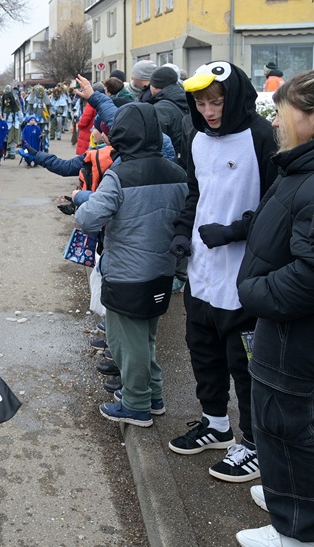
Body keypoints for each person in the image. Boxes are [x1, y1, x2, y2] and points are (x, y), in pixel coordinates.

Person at [168, 61, 280, 483]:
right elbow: (195, 192)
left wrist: (235, 230)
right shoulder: (196, 137)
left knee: (245, 362)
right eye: (201, 102)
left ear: (234, 98)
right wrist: (183, 233)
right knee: (202, 349)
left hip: (244, 274)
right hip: (201, 269)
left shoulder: (261, 137)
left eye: (216, 101)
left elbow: (278, 205)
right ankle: (215, 423)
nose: (209, 111)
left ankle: (253, 443)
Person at [234, 69, 314, 547]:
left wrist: (255, 290)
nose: (278, 120)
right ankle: (290, 501)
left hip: (293, 337)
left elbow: (309, 276)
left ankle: (296, 533)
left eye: (286, 110)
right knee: (282, 432)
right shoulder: (300, 166)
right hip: (284, 331)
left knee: (288, 430)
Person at [73, 102, 188, 427]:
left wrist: (83, 198)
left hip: (126, 273)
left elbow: (89, 218)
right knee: (145, 338)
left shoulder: (120, 174)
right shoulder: (177, 172)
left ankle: (136, 404)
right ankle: (152, 396)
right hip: (163, 271)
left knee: (127, 342)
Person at [147, 66, 190, 169]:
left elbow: (156, 142)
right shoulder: (189, 99)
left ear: (155, 86)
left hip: (171, 166)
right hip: (189, 163)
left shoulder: (159, 109)